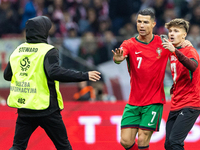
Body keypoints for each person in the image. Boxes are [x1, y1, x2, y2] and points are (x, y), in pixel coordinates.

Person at [3, 16, 101, 150]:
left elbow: (7, 75)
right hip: (46, 109)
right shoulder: (48, 51)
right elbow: (55, 73)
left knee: (18, 146)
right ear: (42, 31)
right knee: (64, 146)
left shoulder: (18, 50)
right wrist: (84, 75)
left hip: (25, 108)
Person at [112, 8, 191, 150]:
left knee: (143, 139)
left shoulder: (163, 43)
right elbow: (120, 56)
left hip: (153, 101)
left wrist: (187, 43)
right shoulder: (129, 44)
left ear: (153, 24)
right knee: (125, 141)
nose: (141, 25)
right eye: (139, 22)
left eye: (145, 22)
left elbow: (180, 45)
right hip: (134, 101)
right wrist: (118, 59)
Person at [163, 19, 200, 150]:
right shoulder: (171, 51)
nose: (172, 33)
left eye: (176, 31)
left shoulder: (189, 50)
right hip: (176, 102)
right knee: (168, 144)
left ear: (184, 35)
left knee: (175, 142)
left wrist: (175, 51)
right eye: (170, 31)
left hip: (190, 103)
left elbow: (193, 66)